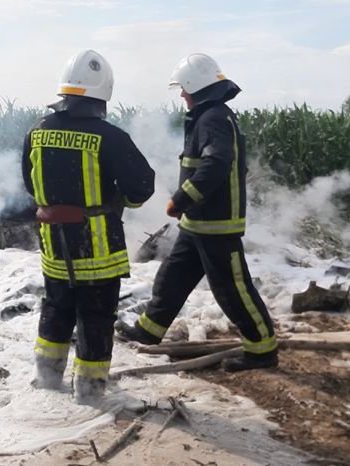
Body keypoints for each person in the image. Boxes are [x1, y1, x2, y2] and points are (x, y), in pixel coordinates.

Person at [116, 53, 278, 372]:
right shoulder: (209, 116)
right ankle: (149, 331)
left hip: (217, 225)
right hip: (198, 224)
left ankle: (262, 349)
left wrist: (182, 199)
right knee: (172, 277)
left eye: (183, 89)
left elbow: (217, 163)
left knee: (232, 289)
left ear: (195, 87)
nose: (181, 95)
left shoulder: (213, 118)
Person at [22, 49, 155, 401]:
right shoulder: (110, 137)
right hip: (97, 251)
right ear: (103, 96)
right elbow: (142, 187)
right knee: (95, 317)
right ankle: (90, 392)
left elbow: (30, 185)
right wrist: (116, 201)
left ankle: (48, 381)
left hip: (53, 247)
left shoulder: (37, 131)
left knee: (56, 307)